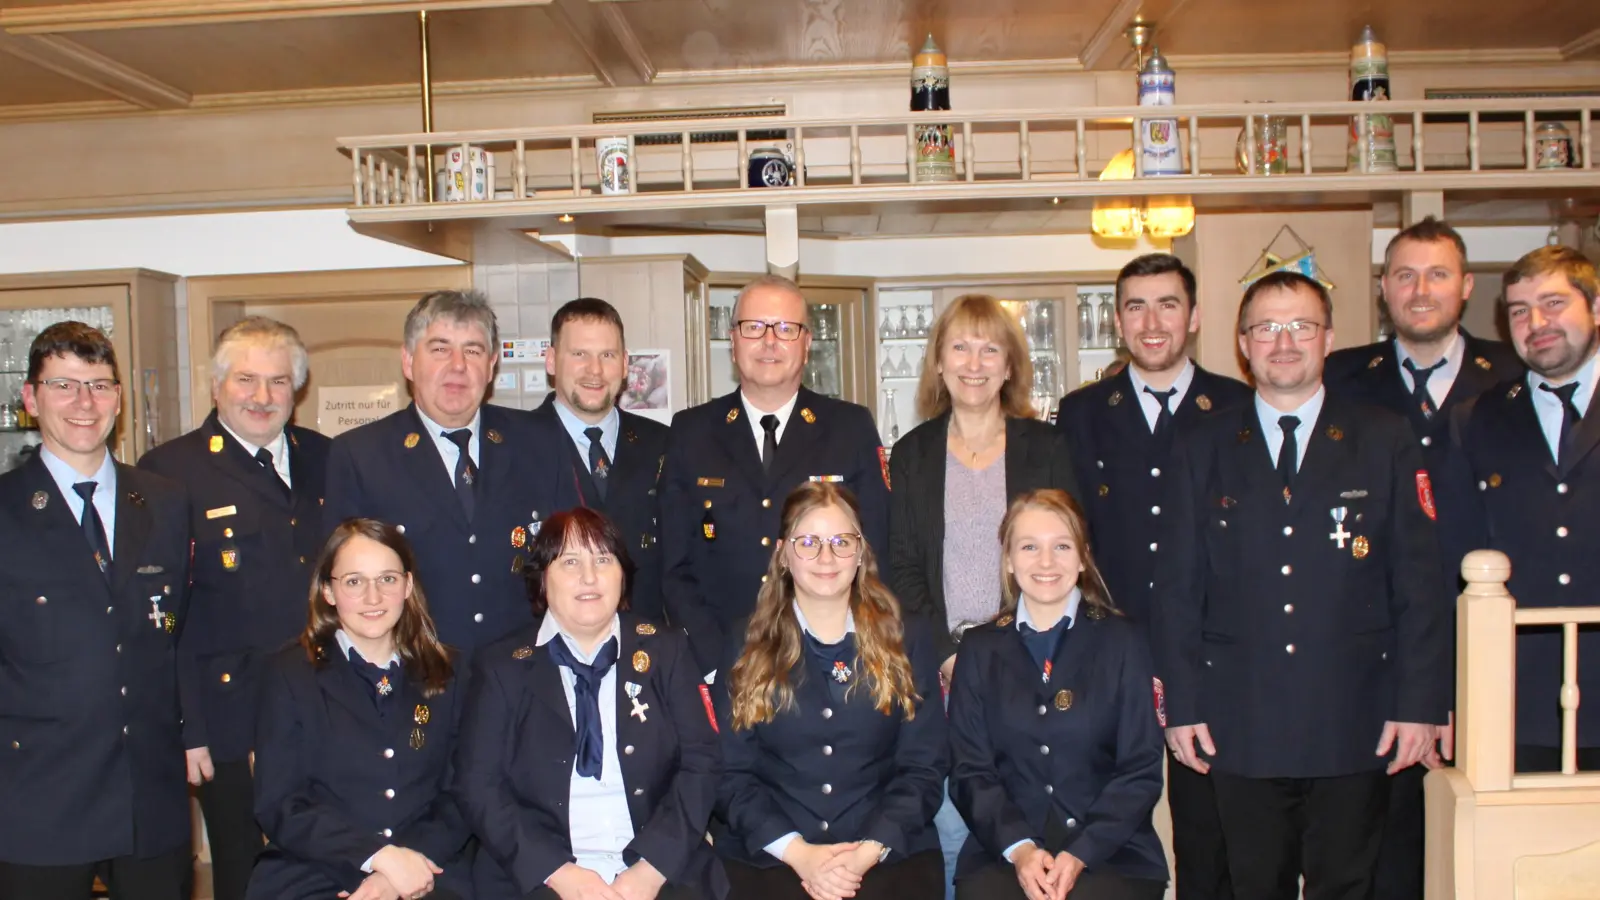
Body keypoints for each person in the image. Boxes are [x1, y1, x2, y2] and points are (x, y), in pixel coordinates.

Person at [1152, 271, 1452, 900]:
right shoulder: (1200, 445)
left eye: (1301, 326)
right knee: (1253, 885)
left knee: (1349, 884)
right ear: (1242, 342)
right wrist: (1182, 704)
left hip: (1357, 715)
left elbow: (1421, 584)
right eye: (1266, 327)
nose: (1283, 342)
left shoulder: (1384, 438)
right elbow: (1178, 587)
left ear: (1328, 338)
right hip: (1240, 720)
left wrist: (1421, 702)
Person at [1322, 217, 1517, 900]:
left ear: (1466, 287)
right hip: (1370, 651)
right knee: (1378, 850)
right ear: (1383, 289)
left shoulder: (1515, 376)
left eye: (1437, 274)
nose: (1420, 289)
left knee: (1480, 843)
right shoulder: (1341, 377)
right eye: (1404, 274)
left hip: (1487, 647)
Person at [1054, 254, 1247, 900]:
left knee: (1211, 834)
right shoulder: (1081, 413)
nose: (1152, 321)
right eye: (1136, 306)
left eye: (1168, 304)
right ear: (1117, 320)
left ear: (1193, 317)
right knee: (1112, 831)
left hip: (1214, 659)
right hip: (1113, 656)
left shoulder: (1238, 406)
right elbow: (1068, 537)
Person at [885, 292, 1079, 897]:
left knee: (1023, 804)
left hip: (1031, 657)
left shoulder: (1045, 448)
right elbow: (903, 567)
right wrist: (947, 654)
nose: (975, 362)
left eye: (990, 348)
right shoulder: (914, 452)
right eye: (960, 347)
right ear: (938, 363)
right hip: (942, 666)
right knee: (949, 813)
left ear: (1011, 364)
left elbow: (1064, 553)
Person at [138, 315, 331, 900]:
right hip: (227, 715)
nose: (262, 397)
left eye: (278, 382)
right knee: (245, 873)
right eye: (246, 380)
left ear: (297, 390)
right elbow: (161, 617)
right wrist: (188, 727)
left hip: (325, 703)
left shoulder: (328, 458)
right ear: (216, 385)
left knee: (330, 861)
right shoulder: (170, 473)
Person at [0, 321, 194, 899]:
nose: (85, 403)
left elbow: (177, 633)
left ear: (119, 399)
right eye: (65, 385)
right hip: (38, 793)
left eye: (101, 386)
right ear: (31, 399)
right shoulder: (5, 509)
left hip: (149, 789)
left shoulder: (164, 501)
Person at [455, 506, 725, 900]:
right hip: (540, 876)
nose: (589, 576)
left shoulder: (667, 650)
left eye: (603, 558)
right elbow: (478, 787)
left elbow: (703, 764)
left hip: (660, 869)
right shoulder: (501, 667)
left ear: (623, 575)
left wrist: (650, 872)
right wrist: (559, 874)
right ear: (542, 579)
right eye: (569, 561)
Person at [713, 482, 946, 900]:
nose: (826, 557)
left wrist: (864, 854)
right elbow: (732, 775)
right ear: (783, 553)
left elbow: (923, 768)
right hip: (773, 855)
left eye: (841, 541)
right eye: (809, 542)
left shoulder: (908, 638)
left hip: (886, 852)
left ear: (861, 552)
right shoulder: (743, 643)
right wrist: (799, 853)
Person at [324, 289, 578, 658]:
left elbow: (570, 560)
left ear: (492, 365)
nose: (458, 365)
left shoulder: (539, 442)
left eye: (472, 350)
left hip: (523, 676)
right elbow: (342, 588)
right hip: (415, 675)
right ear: (409, 361)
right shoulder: (360, 455)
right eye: (440, 348)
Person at [661, 274, 890, 674]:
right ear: (732, 342)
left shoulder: (850, 428)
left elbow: (876, 550)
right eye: (754, 327)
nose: (769, 341)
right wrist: (717, 657)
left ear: (806, 345)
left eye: (786, 328)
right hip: (723, 662)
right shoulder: (691, 432)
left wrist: (845, 649)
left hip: (830, 659)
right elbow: (674, 564)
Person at [948, 489, 1167, 900]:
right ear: (1009, 560)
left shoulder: (1125, 642)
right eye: (1029, 546)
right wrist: (1021, 848)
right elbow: (969, 771)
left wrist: (1082, 851)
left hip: (1112, 852)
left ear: (1083, 557)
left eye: (1061, 546)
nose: (1046, 562)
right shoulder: (978, 649)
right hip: (1004, 852)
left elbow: (1140, 769)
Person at [249, 518, 471, 900]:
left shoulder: (452, 673)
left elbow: (463, 794)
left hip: (429, 867)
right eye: (354, 582)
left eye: (387, 579)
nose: (373, 598)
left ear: (408, 586)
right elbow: (280, 804)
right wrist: (376, 857)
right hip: (315, 867)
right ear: (328, 592)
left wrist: (399, 870)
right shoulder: (288, 674)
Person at [1457, 245, 1600, 772]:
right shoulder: (1476, 419)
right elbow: (1454, 555)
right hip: (1516, 698)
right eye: (1520, 311)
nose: (1536, 322)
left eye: (1554, 302)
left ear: (1597, 307)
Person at [533, 298, 669, 619]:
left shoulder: (663, 444)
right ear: (551, 361)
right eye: (579, 354)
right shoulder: (515, 446)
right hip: (548, 653)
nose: (594, 370)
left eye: (607, 355)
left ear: (624, 365)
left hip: (647, 649)